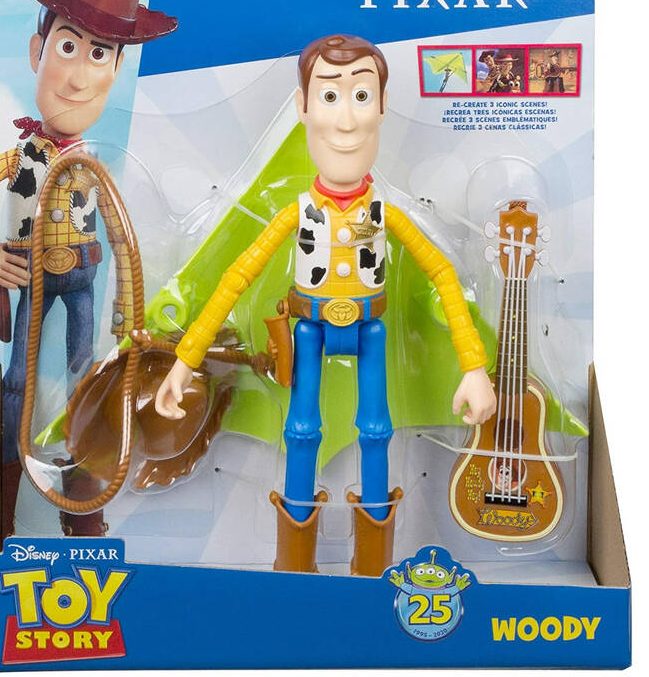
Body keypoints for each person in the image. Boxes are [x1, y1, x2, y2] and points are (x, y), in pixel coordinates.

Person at [154, 35, 496, 575]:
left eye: (361, 96)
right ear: (303, 107)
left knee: (376, 432)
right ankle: (294, 572)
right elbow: (236, 278)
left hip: (370, 328)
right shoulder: (295, 213)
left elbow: (442, 271)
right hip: (309, 330)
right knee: (301, 431)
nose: (346, 121)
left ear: (382, 106)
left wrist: (474, 367)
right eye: (330, 96)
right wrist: (185, 360)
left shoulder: (384, 213)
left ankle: (374, 572)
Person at [0, 0, 176, 538]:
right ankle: (7, 498)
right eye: (68, 46)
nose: (77, 77)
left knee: (85, 377)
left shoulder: (95, 161)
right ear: (37, 51)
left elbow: (121, 236)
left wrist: (128, 306)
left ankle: (83, 506)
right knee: (19, 382)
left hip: (83, 279)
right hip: (34, 274)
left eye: (98, 54)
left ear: (116, 68)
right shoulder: (20, 154)